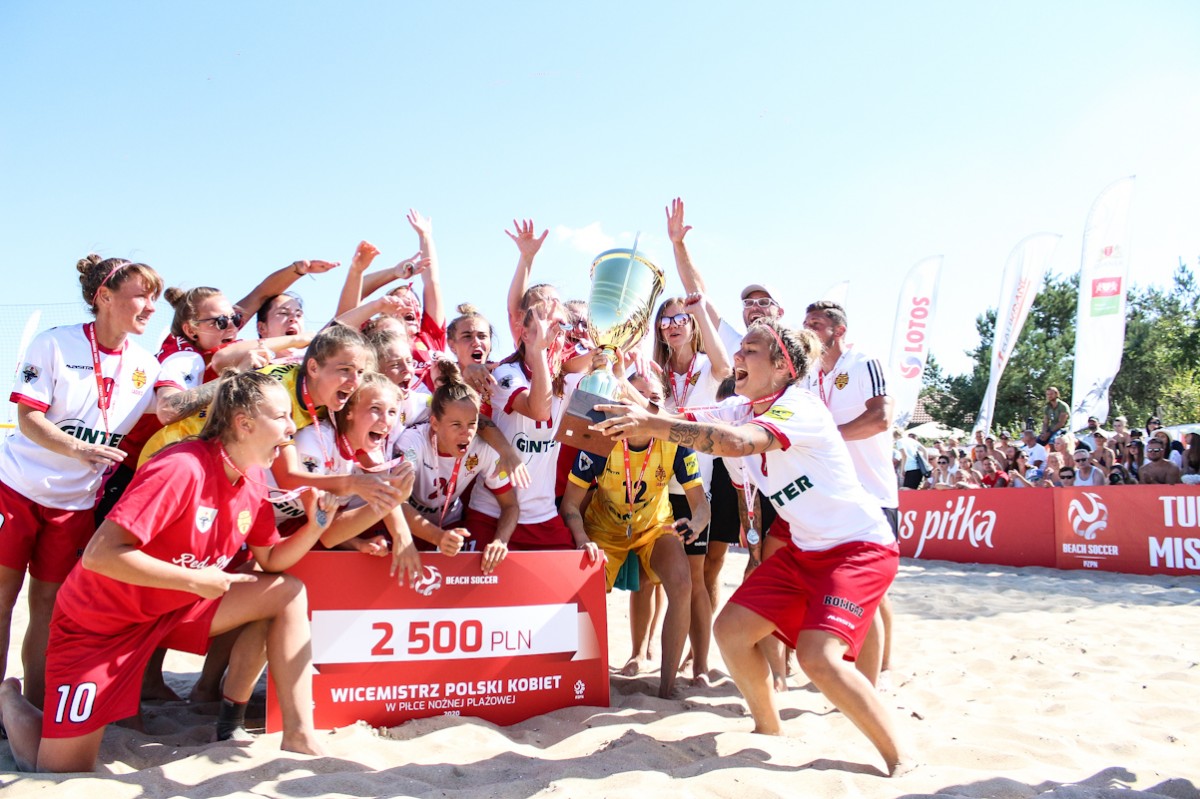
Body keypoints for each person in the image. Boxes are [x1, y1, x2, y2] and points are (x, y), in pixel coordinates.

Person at [591, 318, 912, 776]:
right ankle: (768, 729)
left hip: (858, 546)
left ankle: (901, 759)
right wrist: (619, 380)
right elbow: (683, 418)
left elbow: (737, 443)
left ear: (782, 366)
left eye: (750, 351)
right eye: (739, 349)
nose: (737, 357)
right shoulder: (745, 406)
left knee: (818, 657)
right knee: (732, 632)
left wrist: (654, 423)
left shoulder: (799, 406)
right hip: (806, 547)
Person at [0, 372, 344, 772]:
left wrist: (316, 526)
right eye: (281, 416)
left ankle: (299, 734)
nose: (290, 429)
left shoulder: (251, 479)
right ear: (244, 423)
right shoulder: (181, 467)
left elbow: (272, 560)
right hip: (100, 626)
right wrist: (195, 580)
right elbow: (99, 555)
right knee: (62, 770)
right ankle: (10, 699)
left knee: (287, 591)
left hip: (173, 610)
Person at [0, 255, 163, 709]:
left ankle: (36, 707)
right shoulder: (54, 343)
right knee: (3, 600)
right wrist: (78, 449)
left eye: (154, 297)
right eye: (141, 295)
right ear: (104, 297)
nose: (151, 307)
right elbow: (29, 419)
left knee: (49, 608)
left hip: (74, 504)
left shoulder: (146, 365)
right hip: (15, 489)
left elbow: (172, 407)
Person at [561, 371, 708, 698]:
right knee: (585, 590)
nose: (644, 404)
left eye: (653, 398)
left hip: (653, 526)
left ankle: (667, 689)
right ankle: (583, 681)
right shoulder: (601, 436)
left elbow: (701, 507)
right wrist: (582, 538)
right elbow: (570, 504)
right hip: (604, 528)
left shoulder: (674, 439)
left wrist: (695, 524)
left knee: (683, 582)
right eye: (635, 394)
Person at [802, 300, 896, 684]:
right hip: (833, 495)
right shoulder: (809, 375)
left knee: (870, 589)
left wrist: (831, 438)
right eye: (806, 323)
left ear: (839, 331)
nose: (808, 330)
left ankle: (876, 673)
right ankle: (881, 664)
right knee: (867, 590)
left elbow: (882, 417)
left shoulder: (863, 363)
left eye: (816, 324)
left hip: (873, 492)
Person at [652, 291, 731, 685]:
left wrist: (699, 306)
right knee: (654, 582)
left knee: (696, 579)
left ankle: (699, 666)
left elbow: (725, 366)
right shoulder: (655, 371)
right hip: (654, 484)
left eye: (681, 318)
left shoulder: (706, 366)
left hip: (696, 485)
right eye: (665, 320)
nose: (673, 325)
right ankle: (642, 653)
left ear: (694, 324)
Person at [464, 299, 579, 550]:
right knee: (478, 577)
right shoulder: (506, 373)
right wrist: (539, 351)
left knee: (575, 574)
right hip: (491, 512)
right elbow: (539, 411)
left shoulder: (568, 378)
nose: (551, 336)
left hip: (542, 517)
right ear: (524, 334)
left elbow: (600, 368)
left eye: (559, 329)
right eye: (543, 327)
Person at [397, 361, 518, 573]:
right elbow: (396, 503)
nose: (466, 433)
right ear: (435, 423)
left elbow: (511, 506)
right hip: (407, 525)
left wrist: (500, 541)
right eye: (456, 425)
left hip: (451, 527)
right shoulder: (412, 443)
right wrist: (437, 536)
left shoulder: (482, 449)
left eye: (472, 424)